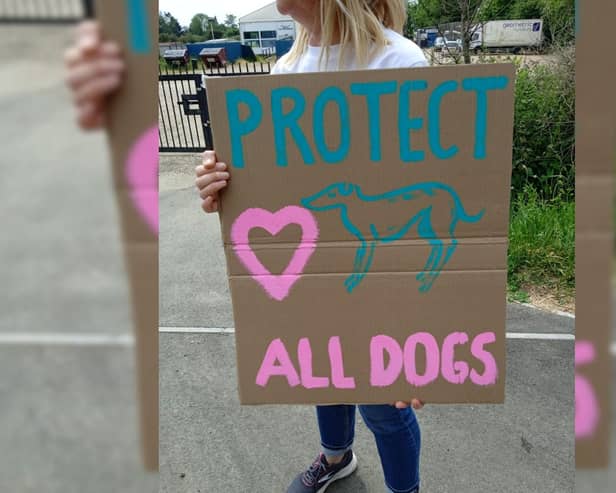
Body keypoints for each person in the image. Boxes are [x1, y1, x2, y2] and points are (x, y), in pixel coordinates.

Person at [64, 1, 427, 492]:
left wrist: (425, 327)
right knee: (325, 377)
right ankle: (336, 458)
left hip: (378, 277)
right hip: (312, 273)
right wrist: (224, 188)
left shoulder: (399, 63)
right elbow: (278, 193)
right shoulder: (285, 70)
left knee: (384, 407)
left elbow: (422, 208)